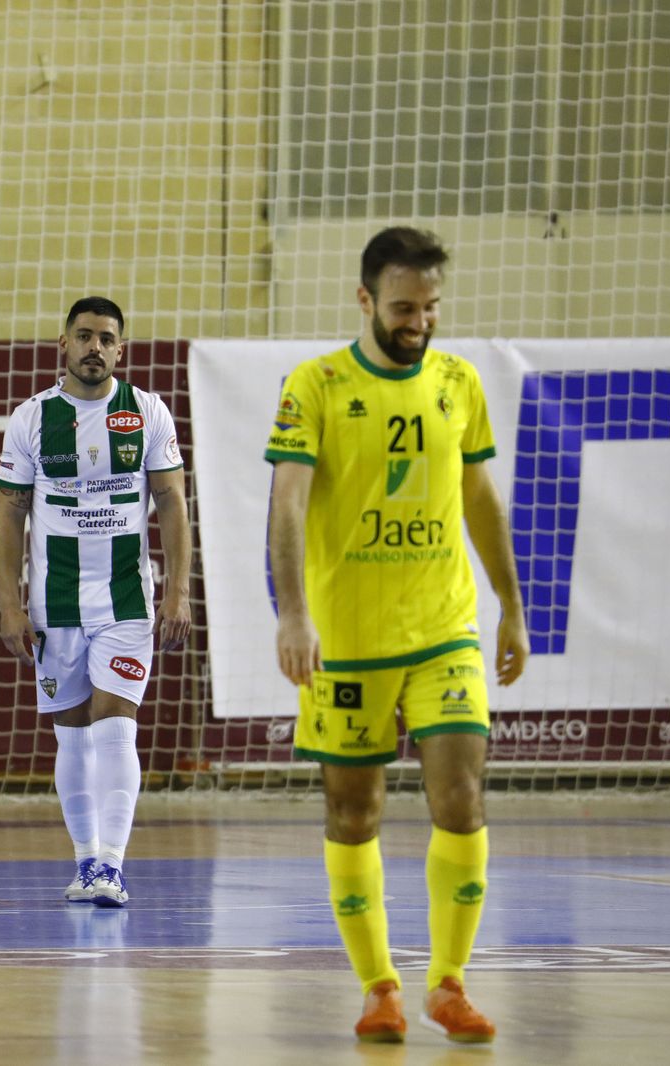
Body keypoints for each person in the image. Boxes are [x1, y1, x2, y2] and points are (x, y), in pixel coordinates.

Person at [266, 227, 527, 1044]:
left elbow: (480, 500)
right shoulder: (315, 384)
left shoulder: (459, 381)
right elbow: (289, 504)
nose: (420, 322)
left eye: (432, 307)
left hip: (443, 629)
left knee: (461, 796)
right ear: (367, 300)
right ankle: (380, 987)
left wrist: (510, 604)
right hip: (347, 639)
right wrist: (294, 613)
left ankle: (449, 983)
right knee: (354, 812)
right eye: (405, 307)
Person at [0, 295, 193, 908]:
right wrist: (9, 602)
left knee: (115, 730)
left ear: (120, 350)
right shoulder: (30, 419)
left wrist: (179, 591)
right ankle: (84, 862)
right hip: (54, 608)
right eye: (84, 336)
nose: (95, 348)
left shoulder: (148, 412)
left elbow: (173, 503)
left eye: (107, 339)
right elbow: (11, 514)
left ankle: (111, 866)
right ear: (64, 343)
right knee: (73, 739)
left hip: (127, 603)